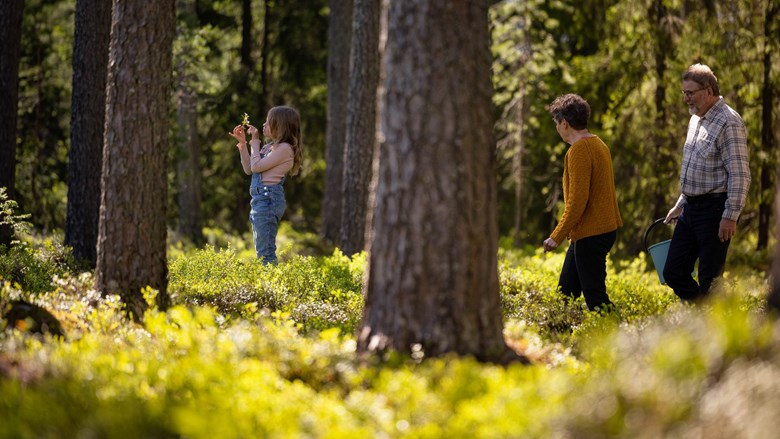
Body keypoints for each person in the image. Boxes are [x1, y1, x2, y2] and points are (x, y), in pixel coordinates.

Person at [662, 64, 750, 301]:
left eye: (690, 93)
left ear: (709, 90)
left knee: (709, 279)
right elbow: (694, 168)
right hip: (690, 208)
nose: (686, 99)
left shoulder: (729, 122)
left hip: (715, 210)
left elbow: (740, 174)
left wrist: (730, 215)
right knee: (672, 272)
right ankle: (703, 315)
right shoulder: (695, 119)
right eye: (684, 93)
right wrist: (680, 203)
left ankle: (712, 330)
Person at [543, 94, 623, 311]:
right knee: (565, 292)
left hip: (592, 234)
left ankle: (626, 339)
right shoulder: (598, 143)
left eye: (556, 123)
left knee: (596, 298)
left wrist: (556, 236)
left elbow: (577, 201)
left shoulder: (579, 150)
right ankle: (557, 335)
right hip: (593, 232)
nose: (557, 128)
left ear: (565, 123)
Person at [228, 106, 303, 264]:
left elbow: (256, 167)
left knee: (265, 253)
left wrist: (255, 140)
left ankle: (271, 286)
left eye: (268, 123)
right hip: (260, 199)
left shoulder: (285, 149)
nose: (263, 125)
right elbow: (249, 169)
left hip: (268, 200)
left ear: (280, 127)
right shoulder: (269, 147)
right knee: (261, 249)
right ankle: (268, 284)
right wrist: (243, 145)